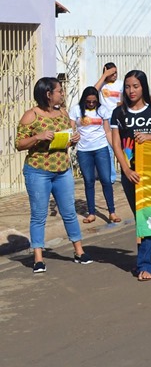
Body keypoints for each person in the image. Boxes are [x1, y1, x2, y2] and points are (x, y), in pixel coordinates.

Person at [17, 77, 91, 273]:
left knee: (69, 212)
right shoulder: (31, 115)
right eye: (59, 91)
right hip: (38, 171)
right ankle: (39, 258)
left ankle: (79, 251)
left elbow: (68, 137)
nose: (62, 94)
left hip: (62, 170)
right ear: (48, 94)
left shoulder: (63, 113)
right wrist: (37, 137)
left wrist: (74, 139)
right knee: (39, 215)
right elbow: (19, 144)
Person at [109, 70, 151, 281]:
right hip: (129, 173)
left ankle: (144, 264)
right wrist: (126, 170)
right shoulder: (119, 113)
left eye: (135, 86)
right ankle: (149, 256)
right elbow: (116, 144)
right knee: (140, 217)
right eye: (127, 86)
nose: (131, 90)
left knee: (147, 216)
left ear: (143, 87)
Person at [69, 86, 120, 224]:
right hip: (83, 150)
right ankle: (91, 213)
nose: (91, 104)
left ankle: (112, 212)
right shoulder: (76, 110)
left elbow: (108, 131)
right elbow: (70, 128)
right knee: (89, 181)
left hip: (101, 148)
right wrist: (71, 138)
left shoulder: (102, 110)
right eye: (88, 101)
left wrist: (115, 148)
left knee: (106, 180)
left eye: (94, 101)